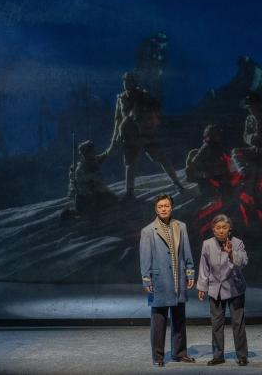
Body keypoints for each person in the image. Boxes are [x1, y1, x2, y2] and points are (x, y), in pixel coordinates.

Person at [105, 72, 186, 198]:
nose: (126, 83)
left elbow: (155, 110)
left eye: (129, 81)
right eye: (125, 81)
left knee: (161, 158)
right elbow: (118, 119)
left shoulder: (144, 96)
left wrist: (147, 119)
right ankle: (129, 193)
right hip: (130, 135)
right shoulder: (121, 99)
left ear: (134, 82)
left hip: (147, 133)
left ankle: (178, 184)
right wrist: (115, 137)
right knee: (129, 164)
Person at [140, 194, 196, 367]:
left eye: (166, 206)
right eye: (160, 206)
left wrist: (190, 273)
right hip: (159, 280)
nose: (163, 209)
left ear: (172, 207)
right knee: (159, 320)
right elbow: (145, 259)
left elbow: (186, 251)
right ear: (156, 209)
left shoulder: (181, 226)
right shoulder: (148, 231)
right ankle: (158, 356)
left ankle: (179, 353)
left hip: (178, 279)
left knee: (179, 318)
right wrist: (146, 280)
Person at [196, 214, 249, 366]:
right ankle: (218, 356)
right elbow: (204, 267)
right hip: (215, 289)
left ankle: (242, 356)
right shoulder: (207, 244)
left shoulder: (237, 243)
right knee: (216, 324)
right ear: (213, 230)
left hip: (235, 288)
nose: (221, 230)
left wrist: (231, 253)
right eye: (218, 228)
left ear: (229, 229)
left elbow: (243, 262)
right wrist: (202, 287)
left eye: (224, 227)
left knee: (238, 323)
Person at [61, 140, 118, 220]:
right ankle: (71, 212)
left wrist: (111, 147)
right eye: (92, 151)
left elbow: (104, 156)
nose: (94, 152)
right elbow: (93, 178)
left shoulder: (91, 161)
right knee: (103, 205)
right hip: (85, 199)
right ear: (87, 153)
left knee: (112, 199)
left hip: (92, 196)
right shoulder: (81, 169)